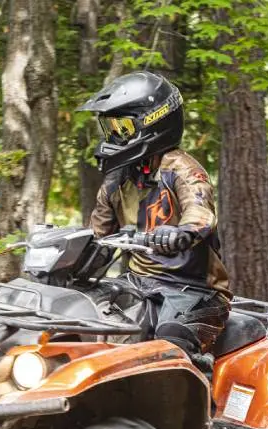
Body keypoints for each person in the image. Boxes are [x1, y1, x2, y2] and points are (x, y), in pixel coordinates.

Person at [77, 71, 231, 362]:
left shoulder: (182, 169)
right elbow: (96, 235)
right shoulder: (117, 179)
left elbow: (200, 212)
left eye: (121, 128)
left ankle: (199, 401)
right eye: (109, 129)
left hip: (194, 291)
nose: (114, 137)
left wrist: (181, 233)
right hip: (138, 283)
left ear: (153, 123)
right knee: (84, 316)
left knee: (170, 347)